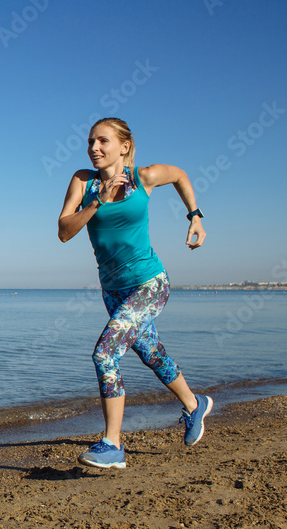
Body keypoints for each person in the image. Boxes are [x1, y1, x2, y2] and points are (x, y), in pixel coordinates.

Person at [57, 117, 213, 469]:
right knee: (151, 352)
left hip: (149, 283)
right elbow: (64, 231)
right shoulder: (84, 182)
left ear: (124, 146)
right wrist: (98, 202)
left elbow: (180, 175)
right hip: (112, 290)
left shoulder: (144, 177)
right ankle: (194, 404)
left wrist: (195, 216)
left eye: (103, 141)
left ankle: (112, 444)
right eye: (90, 142)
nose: (93, 148)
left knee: (104, 354)